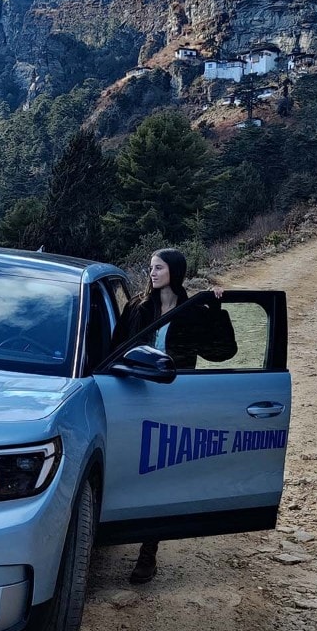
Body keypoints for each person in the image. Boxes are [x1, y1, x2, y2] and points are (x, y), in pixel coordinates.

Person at [111, 247, 238, 583]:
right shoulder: (138, 307)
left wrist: (216, 310)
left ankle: (147, 554)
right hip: (135, 398)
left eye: (159, 268)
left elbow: (221, 352)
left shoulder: (192, 308)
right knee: (129, 470)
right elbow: (116, 349)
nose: (152, 273)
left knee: (158, 476)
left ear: (175, 272)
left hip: (176, 401)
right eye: (151, 268)